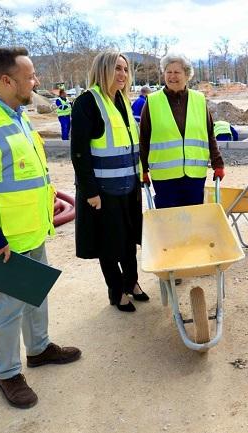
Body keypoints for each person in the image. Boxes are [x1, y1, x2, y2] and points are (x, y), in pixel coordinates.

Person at [0, 47, 81, 409]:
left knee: (35, 292)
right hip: (5, 237)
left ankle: (38, 349)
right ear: (6, 80)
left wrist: (48, 198)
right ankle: (7, 374)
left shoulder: (17, 115)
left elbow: (27, 170)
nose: (35, 81)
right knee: (8, 306)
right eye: (30, 76)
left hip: (33, 226)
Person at [71, 50, 149, 312]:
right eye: (117, 68)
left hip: (128, 186)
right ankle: (117, 292)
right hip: (103, 191)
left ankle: (133, 282)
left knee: (128, 239)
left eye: (125, 69)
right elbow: (79, 152)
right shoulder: (87, 102)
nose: (123, 74)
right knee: (109, 243)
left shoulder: (122, 101)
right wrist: (89, 191)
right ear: (103, 69)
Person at [139, 53, 225, 209]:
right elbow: (143, 139)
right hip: (164, 178)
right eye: (168, 72)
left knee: (192, 223)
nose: (172, 76)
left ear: (187, 75)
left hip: (194, 176)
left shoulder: (199, 100)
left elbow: (209, 134)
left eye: (177, 72)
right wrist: (142, 170)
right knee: (168, 224)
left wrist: (218, 163)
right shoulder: (152, 102)